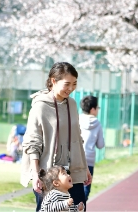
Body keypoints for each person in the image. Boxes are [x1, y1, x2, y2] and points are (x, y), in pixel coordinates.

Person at [21, 62, 92, 212]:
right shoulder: (39, 106)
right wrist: (35, 174)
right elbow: (32, 143)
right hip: (49, 175)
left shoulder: (72, 104)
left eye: (74, 84)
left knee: (79, 209)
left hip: (73, 173)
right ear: (53, 81)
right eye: (67, 84)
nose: (71, 88)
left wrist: (84, 167)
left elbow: (77, 138)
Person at [79, 95, 105, 202]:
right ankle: (82, 207)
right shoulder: (97, 123)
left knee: (74, 186)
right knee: (86, 187)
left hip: (76, 157)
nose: (98, 110)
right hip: (89, 160)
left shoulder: (77, 119)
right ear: (93, 109)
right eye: (97, 108)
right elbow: (100, 145)